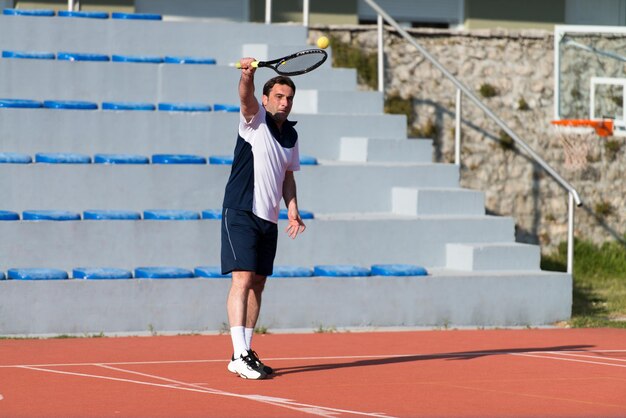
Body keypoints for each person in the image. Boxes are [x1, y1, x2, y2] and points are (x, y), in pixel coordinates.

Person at [221, 57, 306, 380]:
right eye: (279, 97)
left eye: (289, 98)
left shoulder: (291, 137)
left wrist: (293, 208)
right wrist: (248, 76)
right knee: (241, 280)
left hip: (268, 218)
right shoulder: (255, 120)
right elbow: (245, 96)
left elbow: (287, 177)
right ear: (267, 99)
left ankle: (242, 352)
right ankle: (240, 353)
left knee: (258, 283)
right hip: (241, 209)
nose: (284, 103)